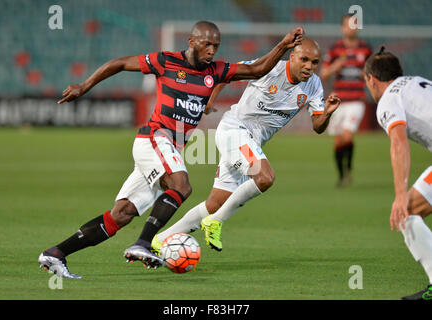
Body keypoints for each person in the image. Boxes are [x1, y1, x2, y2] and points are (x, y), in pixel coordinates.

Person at [38, 21, 304, 278]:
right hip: (154, 137)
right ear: (191, 42)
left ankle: (56, 253)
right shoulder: (165, 61)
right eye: (207, 44)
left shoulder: (216, 71)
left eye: (216, 46)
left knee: (122, 214)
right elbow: (119, 63)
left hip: (168, 148)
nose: (212, 50)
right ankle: (142, 244)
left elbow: (257, 69)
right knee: (181, 185)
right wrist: (84, 86)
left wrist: (282, 46)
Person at [152, 38, 341, 253]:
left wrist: (326, 113)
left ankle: (161, 238)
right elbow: (229, 74)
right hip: (234, 131)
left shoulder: (314, 84)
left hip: (251, 143)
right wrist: (210, 100)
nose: (309, 66)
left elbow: (317, 126)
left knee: (215, 203)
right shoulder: (270, 68)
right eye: (304, 59)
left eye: (314, 62)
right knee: (265, 177)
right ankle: (216, 222)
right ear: (292, 57)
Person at [363, 46, 432, 300]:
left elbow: (399, 142)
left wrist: (400, 193)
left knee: (407, 212)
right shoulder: (418, 83)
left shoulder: (388, 100)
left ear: (371, 79)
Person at [319, 14, 372, 188]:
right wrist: (337, 65)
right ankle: (342, 175)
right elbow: (323, 74)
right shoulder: (335, 49)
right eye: (348, 25)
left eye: (355, 25)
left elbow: (370, 73)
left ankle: (348, 169)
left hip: (356, 99)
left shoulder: (365, 49)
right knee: (338, 141)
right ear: (343, 28)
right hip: (338, 100)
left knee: (348, 135)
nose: (352, 28)